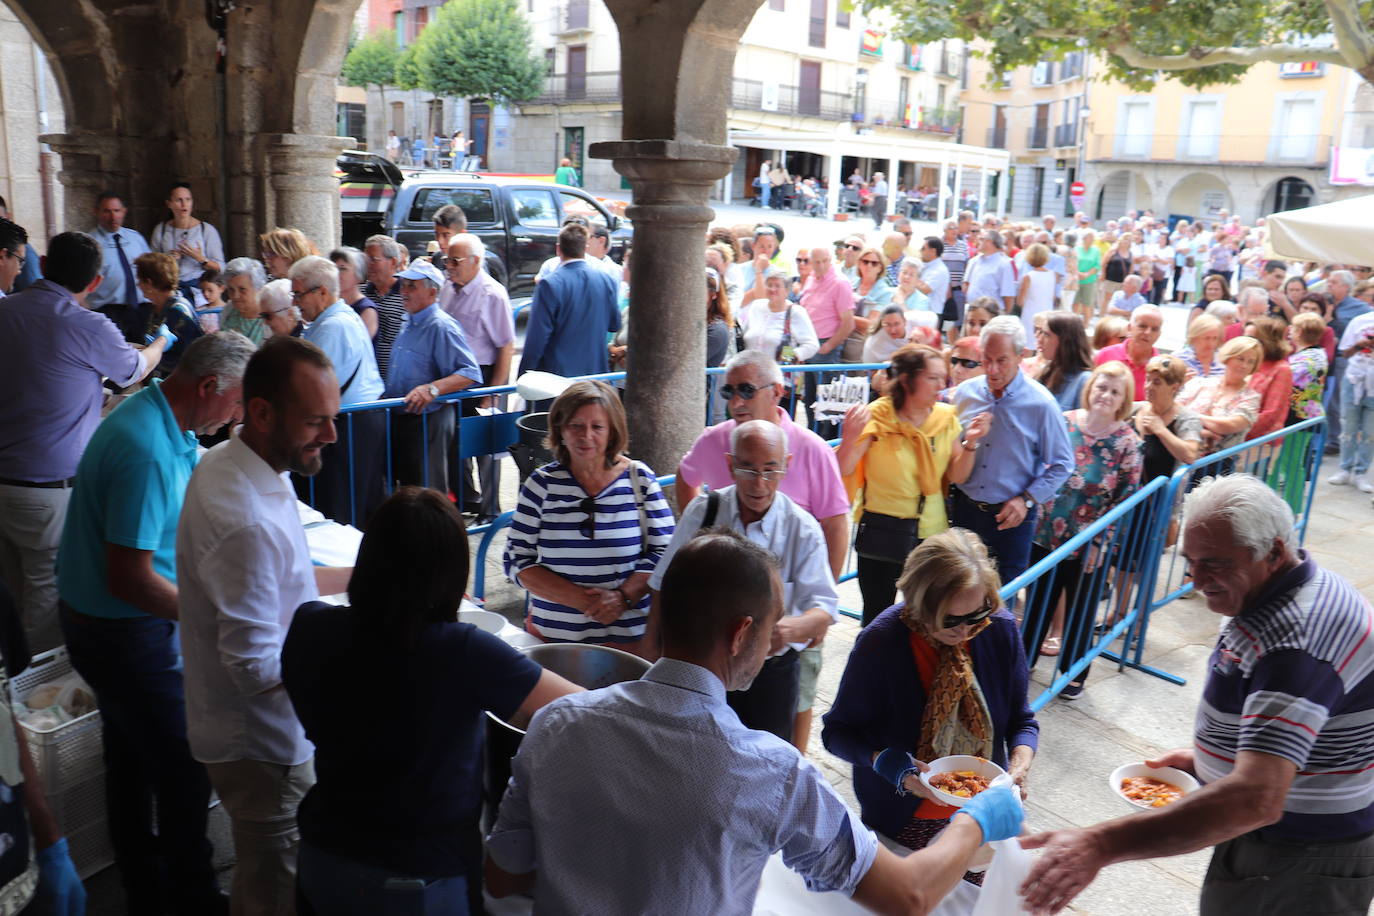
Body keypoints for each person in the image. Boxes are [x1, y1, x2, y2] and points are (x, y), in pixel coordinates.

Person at [487, 530, 1025, 913]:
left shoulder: (555, 725)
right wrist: (976, 818)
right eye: (772, 625)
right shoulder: (771, 773)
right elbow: (908, 896)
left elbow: (502, 873)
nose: (774, 642)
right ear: (743, 634)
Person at [1021, 474, 1374, 916]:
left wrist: (1100, 843)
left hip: (1300, 857)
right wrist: (1216, 758)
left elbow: (1255, 799)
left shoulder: (1295, 644)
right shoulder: (1283, 586)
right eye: (1190, 561)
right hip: (1278, 843)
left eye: (1215, 563)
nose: (1194, 579)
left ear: (1275, 552)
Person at [283, 487, 580, 915]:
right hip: (418, 882)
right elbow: (585, 706)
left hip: (323, 858)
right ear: (449, 574)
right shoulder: (462, 650)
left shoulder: (309, 627)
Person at [57, 332, 253, 915]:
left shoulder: (169, 419)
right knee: (183, 765)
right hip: (120, 627)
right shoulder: (143, 444)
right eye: (238, 402)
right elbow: (131, 579)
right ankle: (189, 895)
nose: (238, 415)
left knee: (130, 755)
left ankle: (145, 886)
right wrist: (216, 616)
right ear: (209, 386)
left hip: (114, 621)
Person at [176, 336, 352, 916]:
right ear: (260, 413)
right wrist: (349, 663)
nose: (330, 435)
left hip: (258, 733)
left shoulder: (236, 460)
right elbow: (254, 666)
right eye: (315, 421)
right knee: (275, 891)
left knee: (262, 882)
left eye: (333, 417)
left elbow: (286, 582)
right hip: (262, 745)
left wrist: (364, 578)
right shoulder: (241, 517)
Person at [823, 529, 1037, 873]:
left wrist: (1020, 764)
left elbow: (1022, 720)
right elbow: (836, 733)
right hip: (904, 820)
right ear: (919, 604)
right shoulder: (881, 643)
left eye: (976, 615)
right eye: (950, 620)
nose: (965, 631)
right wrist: (886, 762)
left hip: (982, 815)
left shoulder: (998, 629)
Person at [0, 232, 168, 651]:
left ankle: (12, 679)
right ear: (94, 283)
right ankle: (36, 697)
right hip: (47, 489)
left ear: (42, 260)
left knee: (11, 587)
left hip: (3, 478)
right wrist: (163, 342)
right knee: (43, 595)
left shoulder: (6, 311)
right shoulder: (86, 324)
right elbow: (133, 370)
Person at [651, 420, 837, 740]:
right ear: (730, 464)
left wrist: (784, 630)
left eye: (770, 470)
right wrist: (651, 650)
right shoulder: (705, 512)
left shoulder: (802, 528)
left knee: (766, 761)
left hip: (771, 675)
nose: (759, 483)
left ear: (786, 466)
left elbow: (824, 607)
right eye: (748, 469)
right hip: (704, 667)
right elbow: (664, 583)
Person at [504, 381, 674, 654]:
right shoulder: (542, 484)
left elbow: (666, 552)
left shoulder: (639, 479)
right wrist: (584, 601)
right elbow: (515, 559)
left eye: (597, 427)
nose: (586, 436)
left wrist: (622, 598)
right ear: (560, 429)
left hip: (631, 642)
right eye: (576, 426)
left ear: (612, 431)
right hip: (553, 641)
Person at [838, 345, 983, 623]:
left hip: (931, 536)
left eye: (943, 377)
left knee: (924, 620)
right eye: (932, 377)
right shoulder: (877, 415)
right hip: (882, 531)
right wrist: (849, 437)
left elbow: (958, 475)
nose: (942, 384)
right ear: (906, 380)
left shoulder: (944, 418)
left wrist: (971, 443)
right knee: (876, 619)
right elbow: (844, 467)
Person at [1029, 362, 1144, 692]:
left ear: (1124, 399)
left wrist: (1100, 541)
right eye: (1101, 388)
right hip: (1044, 530)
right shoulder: (1064, 423)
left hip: (1088, 540)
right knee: (1038, 599)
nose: (1105, 396)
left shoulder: (1127, 444)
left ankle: (1072, 674)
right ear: (1090, 387)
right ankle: (1023, 662)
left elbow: (1126, 501)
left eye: (1114, 392)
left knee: (1081, 607)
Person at [950, 316, 1074, 587]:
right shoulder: (965, 394)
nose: (992, 369)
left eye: (1002, 360)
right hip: (963, 512)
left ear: (1021, 356)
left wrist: (1026, 499)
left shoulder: (1041, 404)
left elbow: (1063, 463)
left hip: (1010, 519)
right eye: (986, 359)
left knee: (998, 603)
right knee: (956, 595)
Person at [291, 256, 386, 526]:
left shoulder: (334, 326)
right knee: (355, 506)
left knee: (341, 510)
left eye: (298, 294)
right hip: (359, 422)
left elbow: (306, 388)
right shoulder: (338, 318)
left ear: (321, 291)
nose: (295, 302)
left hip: (351, 427)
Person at [382, 259, 482, 492]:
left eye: (411, 286)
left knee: (426, 490)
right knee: (407, 489)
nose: (403, 292)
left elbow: (469, 372)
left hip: (428, 420)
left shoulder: (441, 326)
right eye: (403, 285)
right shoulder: (409, 321)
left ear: (432, 292)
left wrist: (432, 389)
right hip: (403, 419)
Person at [440, 233, 515, 520]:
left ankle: (489, 510)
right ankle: (466, 499)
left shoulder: (491, 293)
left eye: (455, 260)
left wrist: (492, 393)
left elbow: (506, 346)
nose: (449, 266)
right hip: (453, 377)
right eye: (448, 259)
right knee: (454, 444)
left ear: (476, 261)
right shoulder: (448, 287)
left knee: (486, 448)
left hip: (482, 377)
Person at [519, 223, 620, 378]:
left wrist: (523, 375)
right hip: (594, 373)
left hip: (557, 378)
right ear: (585, 248)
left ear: (558, 249)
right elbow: (614, 325)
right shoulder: (607, 280)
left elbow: (536, 338)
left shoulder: (549, 284)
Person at [111, 251, 205, 376]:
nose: (138, 285)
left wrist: (149, 353)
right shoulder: (154, 308)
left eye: (140, 280)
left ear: (149, 283)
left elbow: (188, 358)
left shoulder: (179, 312)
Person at [1178, 336, 1263, 457]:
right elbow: (1174, 409)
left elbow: (1229, 425)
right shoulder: (1201, 383)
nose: (1244, 365)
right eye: (1240, 359)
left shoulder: (1251, 398)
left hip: (1217, 464)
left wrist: (1188, 416)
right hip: (1181, 453)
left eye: (1250, 362)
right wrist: (1201, 430)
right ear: (1228, 357)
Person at [149, 182, 224, 301]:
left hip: (200, 291)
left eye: (188, 199)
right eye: (179, 200)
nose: (184, 204)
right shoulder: (161, 230)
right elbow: (151, 266)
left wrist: (200, 258)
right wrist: (168, 261)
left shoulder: (206, 230)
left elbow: (220, 268)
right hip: (169, 289)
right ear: (169, 204)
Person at [1331, 301, 1374, 491]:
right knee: (1348, 424)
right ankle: (1345, 468)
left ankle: (1361, 472)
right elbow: (1344, 353)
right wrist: (1359, 345)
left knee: (1370, 431)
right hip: (1354, 378)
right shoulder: (1359, 321)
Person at [737, 268, 819, 367]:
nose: (772, 289)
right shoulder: (756, 306)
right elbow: (745, 335)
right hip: (750, 372)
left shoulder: (796, 312)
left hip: (778, 375)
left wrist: (788, 357)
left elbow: (812, 345)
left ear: (787, 291)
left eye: (777, 286)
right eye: (769, 285)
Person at [86, 191, 151, 310]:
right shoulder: (89, 244)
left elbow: (152, 269)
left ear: (124, 211)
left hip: (142, 307)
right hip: (108, 310)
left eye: (117, 211)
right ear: (96, 212)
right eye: (107, 211)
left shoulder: (135, 238)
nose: (113, 217)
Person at [362, 234, 408, 378]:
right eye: (365, 260)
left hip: (397, 380)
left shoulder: (408, 295)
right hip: (366, 380)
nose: (368, 265)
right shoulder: (359, 294)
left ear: (393, 262)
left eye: (374, 260)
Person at [1242, 315, 1294, 441]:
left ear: (1266, 341)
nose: (1244, 342)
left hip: (1259, 442)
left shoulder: (1281, 369)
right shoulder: (1246, 363)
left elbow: (1271, 414)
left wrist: (1236, 431)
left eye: (1251, 339)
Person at [1035, 311, 1093, 410]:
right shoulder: (1047, 370)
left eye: (1046, 334)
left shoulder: (1084, 380)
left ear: (1065, 340)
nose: (1039, 339)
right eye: (1039, 332)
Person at [329, 245, 378, 338]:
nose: (336, 273)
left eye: (342, 269)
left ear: (358, 274)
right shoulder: (330, 304)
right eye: (333, 268)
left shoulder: (367, 310)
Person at [1287, 311, 1329, 423]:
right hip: (1309, 414)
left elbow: (1284, 380)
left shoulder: (1304, 359)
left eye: (1293, 327)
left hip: (1299, 417)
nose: (1289, 328)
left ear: (1299, 332)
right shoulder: (1319, 354)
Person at [221, 257, 269, 347]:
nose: (235, 296)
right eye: (231, 289)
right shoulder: (229, 310)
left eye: (242, 289)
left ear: (258, 288)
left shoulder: (269, 319)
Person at [963, 231, 1016, 312]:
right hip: (972, 311)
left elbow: (1008, 295)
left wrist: (1005, 316)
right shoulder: (974, 261)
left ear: (990, 241)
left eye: (981, 239)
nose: (977, 241)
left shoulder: (1004, 265)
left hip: (992, 313)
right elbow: (966, 285)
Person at [1016, 243, 1058, 343]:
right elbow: (1053, 297)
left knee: (1028, 345)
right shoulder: (1052, 274)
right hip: (1047, 313)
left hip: (1030, 315)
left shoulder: (1028, 276)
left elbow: (1020, 301)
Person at [1176, 314, 1225, 379]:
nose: (1211, 343)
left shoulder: (1224, 360)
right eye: (1206, 338)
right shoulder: (1179, 360)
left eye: (1215, 338)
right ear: (1194, 338)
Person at [1073, 229, 1100, 321]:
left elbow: (1097, 265)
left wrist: (1087, 274)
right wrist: (1078, 273)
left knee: (1087, 305)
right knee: (1075, 303)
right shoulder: (1076, 249)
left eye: (1093, 237)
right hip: (1076, 280)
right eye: (1090, 237)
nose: (1092, 239)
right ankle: (1074, 325)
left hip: (1090, 280)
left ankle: (1086, 325)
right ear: (1084, 238)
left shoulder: (1095, 250)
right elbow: (1072, 263)